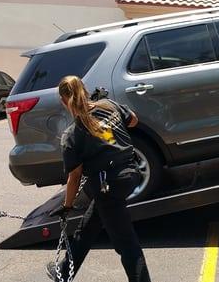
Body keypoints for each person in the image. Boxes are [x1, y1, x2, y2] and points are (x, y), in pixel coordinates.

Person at [46, 75, 151, 282]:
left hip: (108, 186)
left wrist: (67, 206)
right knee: (89, 225)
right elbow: (134, 120)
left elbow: (74, 178)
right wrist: (108, 107)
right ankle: (65, 271)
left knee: (126, 244)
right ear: (85, 90)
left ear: (63, 101)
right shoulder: (108, 104)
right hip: (132, 174)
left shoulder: (72, 134)